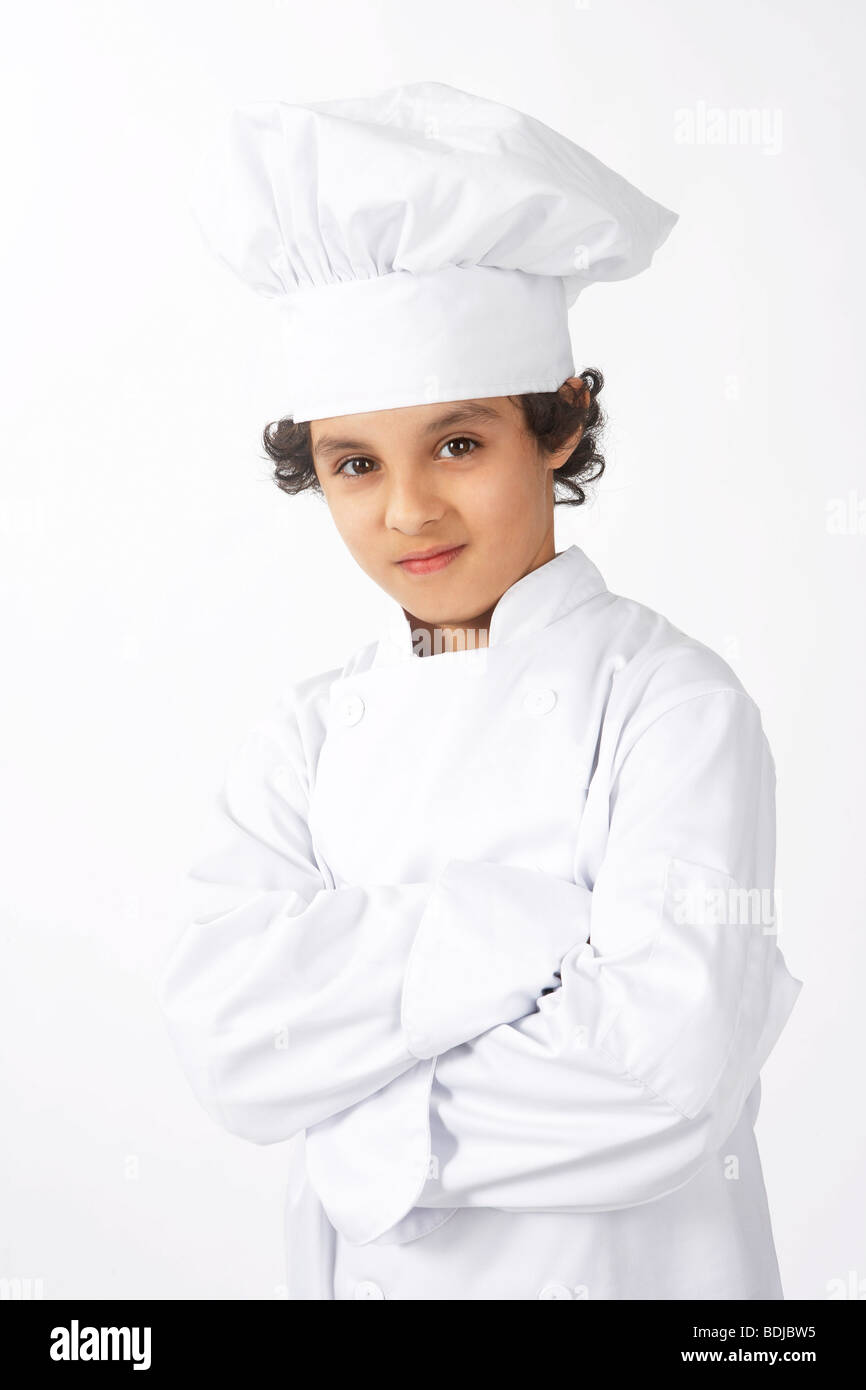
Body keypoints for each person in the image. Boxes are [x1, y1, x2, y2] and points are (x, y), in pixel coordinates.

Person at [157, 80, 803, 1300]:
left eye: (457, 443)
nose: (407, 511)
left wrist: (352, 1119)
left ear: (556, 430)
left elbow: (657, 1084)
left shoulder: (671, 708)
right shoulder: (299, 742)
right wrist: (517, 926)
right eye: (355, 463)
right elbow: (229, 1045)